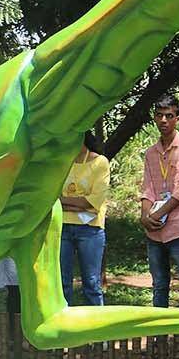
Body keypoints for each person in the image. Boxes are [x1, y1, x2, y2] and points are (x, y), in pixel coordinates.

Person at [140, 94, 179, 312]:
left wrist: (154, 217)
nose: (164, 121)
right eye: (159, 116)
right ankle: (160, 341)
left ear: (178, 118)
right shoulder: (150, 153)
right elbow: (147, 188)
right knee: (159, 287)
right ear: (154, 118)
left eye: (169, 116)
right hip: (154, 232)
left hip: (178, 228)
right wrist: (144, 216)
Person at [60, 131, 111, 306]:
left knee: (91, 282)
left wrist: (65, 202)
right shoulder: (61, 162)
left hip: (90, 229)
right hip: (62, 227)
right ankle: (64, 328)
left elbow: (95, 202)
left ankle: (97, 330)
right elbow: (52, 198)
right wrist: (81, 203)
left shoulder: (100, 162)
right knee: (62, 281)